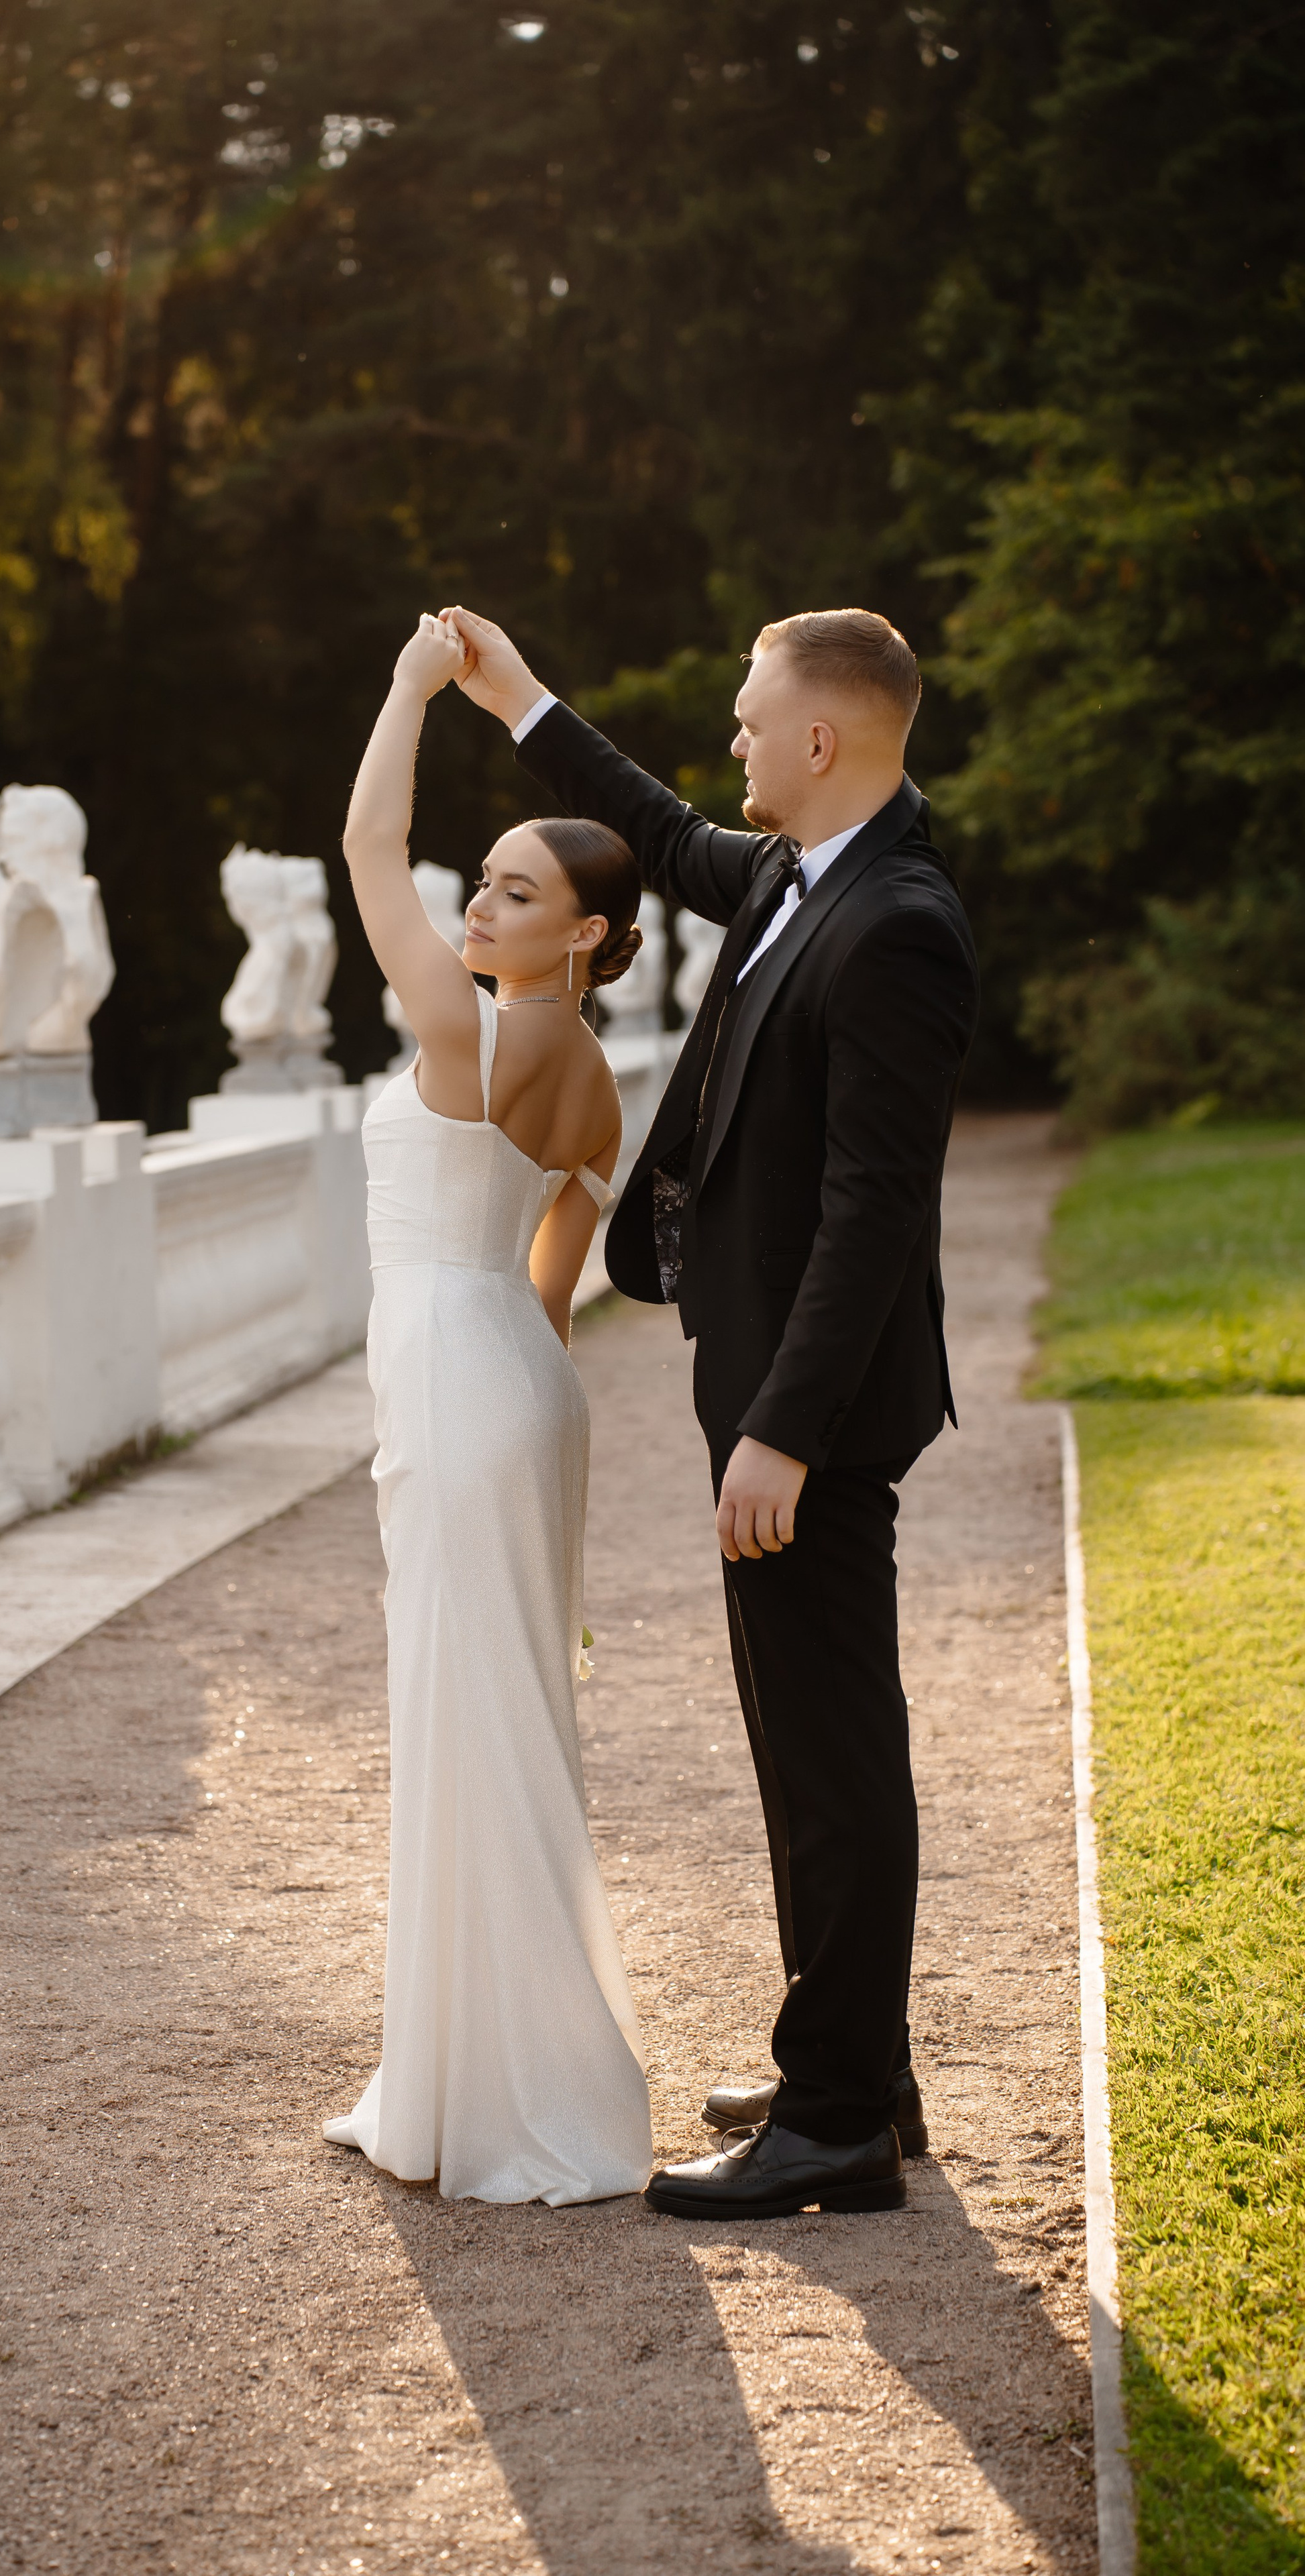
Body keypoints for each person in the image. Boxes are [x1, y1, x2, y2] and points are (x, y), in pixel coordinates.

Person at [446, 602, 979, 2222]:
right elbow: (659, 829)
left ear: (819, 741)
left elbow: (872, 1208)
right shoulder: (792, 877)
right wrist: (517, 693)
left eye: (752, 718)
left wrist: (786, 1431)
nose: (731, 740)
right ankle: (855, 2070)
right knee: (803, 1736)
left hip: (802, 1418)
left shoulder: (893, 922)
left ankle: (829, 2125)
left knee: (829, 1750)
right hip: (757, 1390)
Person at [323, 613, 654, 2206]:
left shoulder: (460, 1033)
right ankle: (480, 2072)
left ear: (582, 936)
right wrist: (491, 1411)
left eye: (520, 891)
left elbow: (363, 841)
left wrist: (406, 691)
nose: (477, 899)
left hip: (462, 1387)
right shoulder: (587, 1073)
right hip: (514, 1386)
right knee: (501, 1717)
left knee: (466, 1723)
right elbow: (550, 1280)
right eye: (485, 877)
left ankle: (497, 2094)